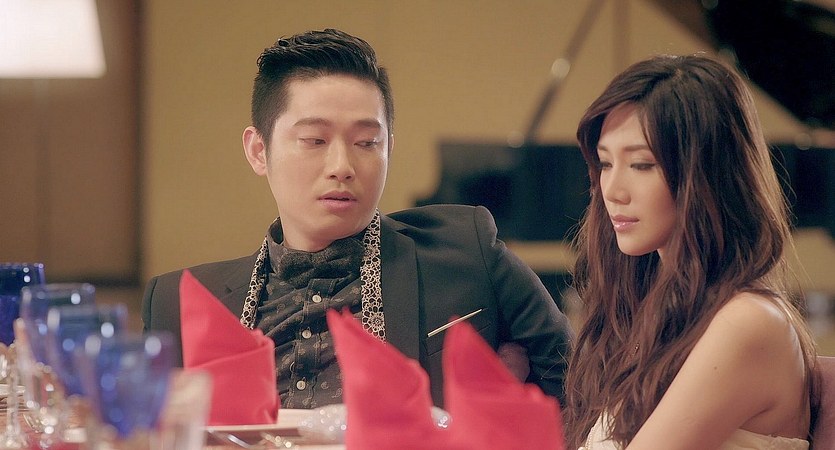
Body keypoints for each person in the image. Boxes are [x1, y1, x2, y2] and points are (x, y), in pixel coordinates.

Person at [141, 28, 573, 410]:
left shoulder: (467, 252)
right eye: (314, 140)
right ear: (258, 151)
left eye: (367, 143)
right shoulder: (176, 302)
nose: (342, 166)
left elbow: (582, 386)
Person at [564, 54, 819, 449]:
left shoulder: (748, 322)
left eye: (642, 164)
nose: (612, 191)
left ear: (708, 175)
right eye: (605, 163)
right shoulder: (653, 312)